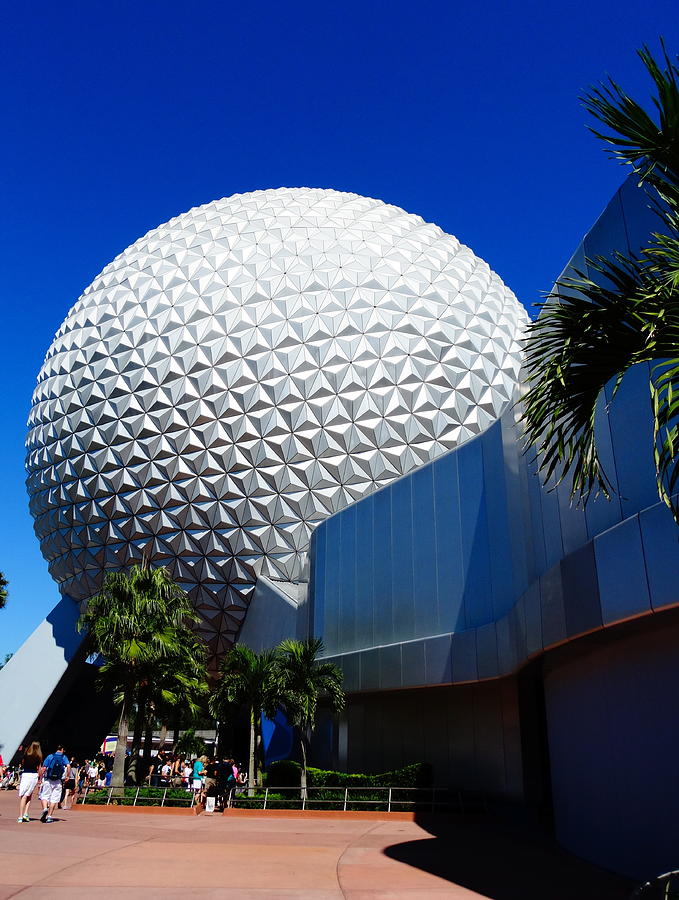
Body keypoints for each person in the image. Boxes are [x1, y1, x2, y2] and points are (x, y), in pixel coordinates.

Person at [39, 744, 70, 823]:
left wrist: (40, 778)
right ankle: (49, 816)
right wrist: (68, 776)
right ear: (62, 749)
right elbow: (68, 766)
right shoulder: (63, 757)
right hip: (58, 781)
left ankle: (45, 808)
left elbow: (44, 768)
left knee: (44, 796)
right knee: (54, 799)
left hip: (48, 779)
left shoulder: (50, 756)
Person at [17, 741, 42, 822]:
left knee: (23, 796)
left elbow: (22, 763)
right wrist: (40, 779)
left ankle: (20, 816)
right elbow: (39, 769)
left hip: (26, 774)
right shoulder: (39, 756)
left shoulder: (26, 755)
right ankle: (26, 813)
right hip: (34, 776)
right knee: (29, 795)